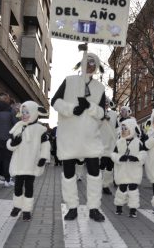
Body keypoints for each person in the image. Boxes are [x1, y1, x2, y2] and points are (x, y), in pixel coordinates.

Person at [51, 51, 106, 222]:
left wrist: (89, 106)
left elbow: (102, 113)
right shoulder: (69, 81)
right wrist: (72, 109)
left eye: (93, 63)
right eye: (87, 62)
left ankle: (94, 208)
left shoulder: (100, 88)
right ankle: (72, 207)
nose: (90, 66)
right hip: (69, 136)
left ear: (96, 68)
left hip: (90, 137)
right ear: (81, 63)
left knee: (95, 174)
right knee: (68, 174)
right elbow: (55, 101)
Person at [7, 101, 50, 221]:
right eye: (23, 112)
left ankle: (27, 210)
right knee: (18, 186)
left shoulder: (40, 129)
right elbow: (10, 143)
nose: (24, 115)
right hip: (19, 162)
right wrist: (12, 143)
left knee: (29, 186)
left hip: (32, 163)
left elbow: (45, 145)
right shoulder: (17, 126)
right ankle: (17, 206)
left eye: (27, 112)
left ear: (35, 113)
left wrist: (43, 157)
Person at [111, 118, 146, 218]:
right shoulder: (119, 142)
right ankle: (119, 207)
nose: (123, 131)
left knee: (133, 190)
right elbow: (113, 154)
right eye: (122, 129)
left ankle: (133, 209)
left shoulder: (138, 142)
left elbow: (143, 154)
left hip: (133, 171)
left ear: (131, 129)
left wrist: (137, 158)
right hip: (122, 171)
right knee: (121, 189)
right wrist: (118, 158)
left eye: (125, 129)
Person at [100, 97, 118, 195]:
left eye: (107, 103)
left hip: (112, 144)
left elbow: (118, 128)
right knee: (101, 166)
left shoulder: (114, 114)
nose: (106, 104)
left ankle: (105, 186)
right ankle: (98, 185)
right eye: (104, 103)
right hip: (101, 144)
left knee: (110, 167)